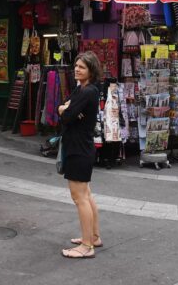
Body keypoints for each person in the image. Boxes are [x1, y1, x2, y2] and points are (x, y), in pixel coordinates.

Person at [58, 51, 102, 259]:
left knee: (79, 197)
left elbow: (66, 116)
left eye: (82, 67)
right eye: (76, 65)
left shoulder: (87, 92)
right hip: (81, 147)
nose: (77, 69)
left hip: (78, 149)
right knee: (86, 195)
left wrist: (65, 110)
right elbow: (66, 107)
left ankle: (86, 246)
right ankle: (94, 237)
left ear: (91, 70)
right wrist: (66, 108)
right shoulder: (82, 89)